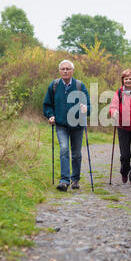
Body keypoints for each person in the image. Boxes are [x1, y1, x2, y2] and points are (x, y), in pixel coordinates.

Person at [43, 60, 90, 192]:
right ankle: (64, 181)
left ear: (72, 71)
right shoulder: (54, 85)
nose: (65, 71)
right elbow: (47, 104)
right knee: (64, 149)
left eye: (68, 69)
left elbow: (89, 106)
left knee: (76, 154)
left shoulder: (80, 86)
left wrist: (86, 109)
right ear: (59, 71)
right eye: (63, 69)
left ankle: (75, 179)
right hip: (61, 124)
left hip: (77, 125)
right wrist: (50, 115)